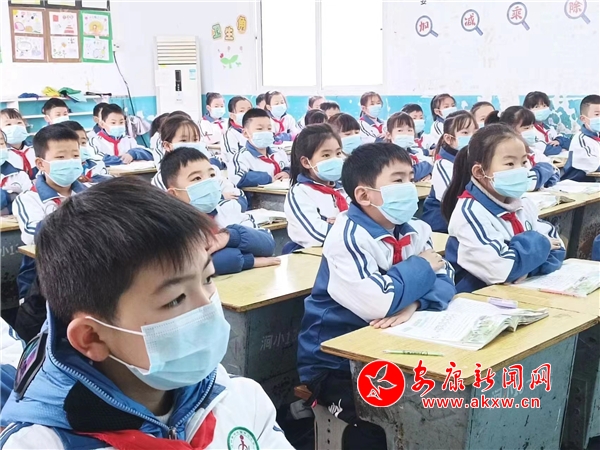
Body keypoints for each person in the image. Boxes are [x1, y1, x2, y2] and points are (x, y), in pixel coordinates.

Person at [0, 177, 293, 449]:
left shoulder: (238, 398)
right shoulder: (40, 444)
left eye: (208, 279)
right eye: (175, 300)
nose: (207, 306)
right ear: (92, 337)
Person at [297, 143, 454, 449]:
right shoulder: (347, 236)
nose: (409, 187)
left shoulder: (416, 229)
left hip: (394, 347)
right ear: (364, 195)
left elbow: (447, 278)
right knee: (385, 419)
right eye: (398, 180)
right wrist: (422, 266)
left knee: (440, 407)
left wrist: (415, 303)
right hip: (335, 363)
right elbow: (378, 303)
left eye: (411, 178)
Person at [441, 123, 565, 293]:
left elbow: (558, 247)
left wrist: (526, 269)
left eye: (524, 162)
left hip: (518, 291)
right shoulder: (470, 213)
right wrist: (541, 245)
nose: (521, 170)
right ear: (479, 172)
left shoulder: (522, 203)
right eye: (510, 163)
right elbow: (501, 270)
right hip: (479, 298)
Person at [161, 147, 280, 274]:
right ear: (173, 194)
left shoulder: (228, 208)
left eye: (212, 175)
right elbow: (196, 264)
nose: (208, 182)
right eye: (197, 178)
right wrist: (249, 261)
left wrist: (230, 237)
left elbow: (268, 243)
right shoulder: (171, 227)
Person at [13, 125, 87, 299]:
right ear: (40, 164)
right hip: (45, 278)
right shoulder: (29, 199)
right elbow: (34, 235)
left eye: (75, 156)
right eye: (61, 157)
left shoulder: (91, 193)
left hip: (87, 270)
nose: (70, 161)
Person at [150, 115, 244, 209]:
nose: (191, 144)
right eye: (183, 140)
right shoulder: (163, 178)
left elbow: (238, 196)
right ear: (167, 145)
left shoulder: (211, 169)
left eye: (195, 140)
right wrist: (221, 198)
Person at [284, 124, 346, 252]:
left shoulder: (346, 188)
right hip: (313, 256)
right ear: (306, 162)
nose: (335, 159)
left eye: (338, 153)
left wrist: (339, 225)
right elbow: (317, 235)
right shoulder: (300, 193)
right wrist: (349, 227)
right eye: (326, 155)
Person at [422, 111, 477, 233]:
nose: (473, 136)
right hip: (442, 226)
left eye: (475, 132)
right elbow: (453, 199)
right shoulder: (443, 165)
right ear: (449, 139)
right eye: (465, 133)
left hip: (466, 220)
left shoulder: (473, 158)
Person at [485, 106, 559, 190]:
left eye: (532, 127)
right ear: (510, 130)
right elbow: (524, 183)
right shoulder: (505, 157)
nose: (531, 131)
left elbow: (555, 170)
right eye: (526, 128)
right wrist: (543, 173)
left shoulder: (534, 152)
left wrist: (543, 180)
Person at [229, 108, 290, 188]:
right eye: (259, 129)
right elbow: (237, 178)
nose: (266, 132)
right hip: (259, 195)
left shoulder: (278, 152)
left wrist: (287, 173)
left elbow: (289, 167)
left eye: (269, 128)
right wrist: (267, 178)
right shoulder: (241, 157)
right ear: (246, 133)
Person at [386, 112, 433, 182]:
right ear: (389, 135)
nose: (406, 134)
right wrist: (427, 166)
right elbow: (408, 174)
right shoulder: (387, 155)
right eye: (400, 130)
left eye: (409, 130)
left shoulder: (415, 152)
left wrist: (429, 174)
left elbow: (432, 165)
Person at [564, 95, 600, 181]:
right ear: (583, 119)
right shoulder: (580, 139)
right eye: (597, 114)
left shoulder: (597, 136)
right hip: (578, 184)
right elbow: (593, 164)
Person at [523, 91, 571, 156]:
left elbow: (568, 143)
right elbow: (547, 150)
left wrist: (559, 141)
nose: (542, 109)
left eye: (544, 106)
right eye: (536, 107)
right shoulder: (528, 131)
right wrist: (560, 148)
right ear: (527, 110)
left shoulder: (548, 128)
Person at [0, 130, 32, 215]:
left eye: (1, 143)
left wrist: (7, 210)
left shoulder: (19, 175)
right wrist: (10, 196)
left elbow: (30, 202)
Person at [1, 108, 35, 179]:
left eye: (19, 123)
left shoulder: (35, 146)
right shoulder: (2, 153)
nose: (15, 127)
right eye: (8, 124)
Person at [221, 96, 252, 164]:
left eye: (249, 110)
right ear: (232, 115)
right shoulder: (230, 134)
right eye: (241, 111)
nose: (247, 113)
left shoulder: (255, 132)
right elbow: (233, 158)